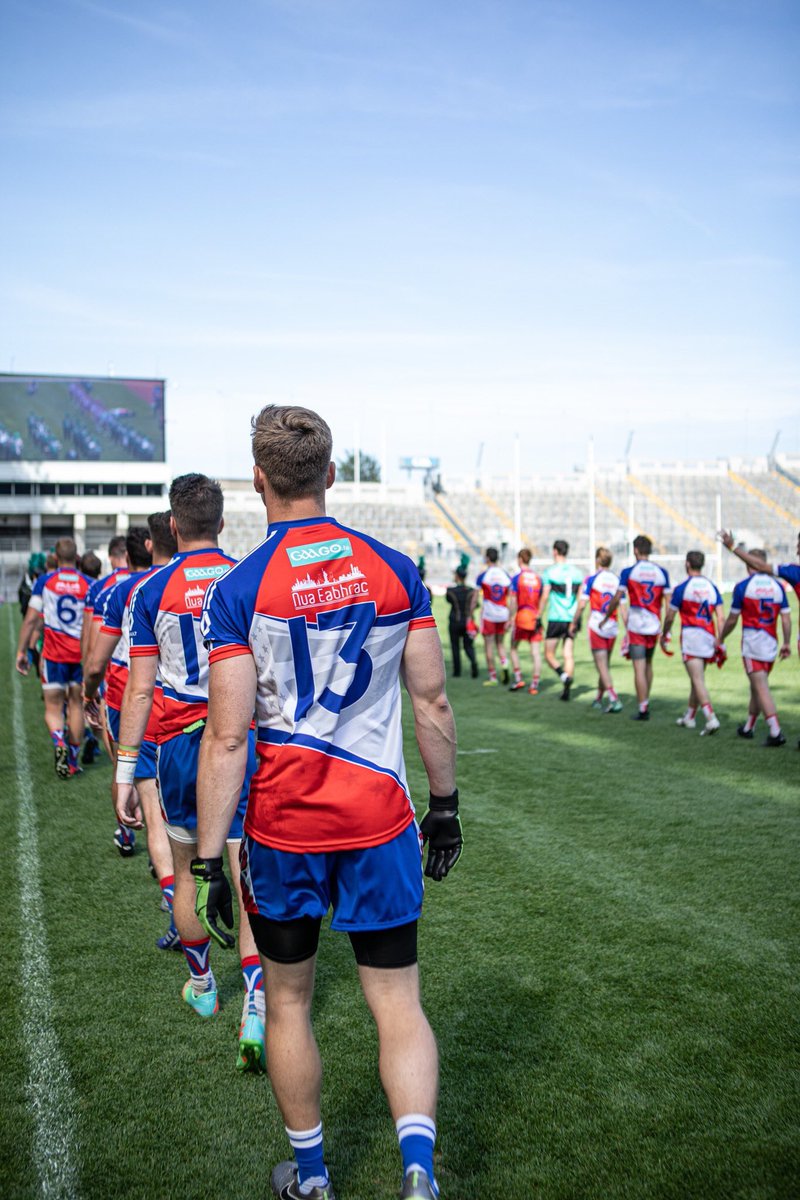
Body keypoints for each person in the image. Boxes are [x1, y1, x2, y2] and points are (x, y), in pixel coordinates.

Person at [195, 405, 461, 1200]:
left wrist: (208, 857)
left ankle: (312, 1178)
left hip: (284, 827)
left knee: (287, 1001)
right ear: (332, 475)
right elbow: (433, 703)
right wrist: (443, 805)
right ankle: (419, 1174)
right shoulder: (394, 567)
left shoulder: (241, 587)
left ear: (259, 480)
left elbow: (227, 737)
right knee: (397, 1001)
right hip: (379, 820)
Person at [115, 475, 265, 1072]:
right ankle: (257, 999)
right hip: (240, 740)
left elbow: (140, 687)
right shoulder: (247, 576)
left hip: (177, 746)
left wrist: (126, 768)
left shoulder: (150, 588)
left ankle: (204, 986)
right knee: (244, 865)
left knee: (182, 868)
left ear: (172, 527)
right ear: (222, 523)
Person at [84, 516, 180, 941]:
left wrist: (89, 690)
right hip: (191, 706)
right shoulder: (203, 578)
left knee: (150, 803)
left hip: (135, 700)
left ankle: (175, 901)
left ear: (146, 543)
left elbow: (99, 657)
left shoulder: (127, 589)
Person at [15, 537, 91, 777]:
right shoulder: (88, 583)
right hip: (79, 657)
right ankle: (73, 760)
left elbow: (31, 618)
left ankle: (59, 743)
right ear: (76, 557)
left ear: (56, 558)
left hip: (53, 654)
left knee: (53, 707)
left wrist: (22, 651)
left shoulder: (45, 582)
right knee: (77, 706)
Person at [718, 546, 791, 746]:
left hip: (752, 642)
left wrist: (721, 637)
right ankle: (749, 726)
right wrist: (786, 642)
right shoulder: (778, 587)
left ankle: (775, 731)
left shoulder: (743, 587)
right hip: (770, 642)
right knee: (756, 687)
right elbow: (785, 619)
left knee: (760, 687)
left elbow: (732, 619)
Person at [602, 535, 670, 721]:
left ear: (635, 550)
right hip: (654, 624)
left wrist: (607, 615)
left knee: (638, 667)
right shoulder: (661, 572)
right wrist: (666, 628)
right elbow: (668, 602)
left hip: (637, 624)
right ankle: (645, 699)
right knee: (648, 663)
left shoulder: (628, 572)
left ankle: (643, 707)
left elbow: (617, 598)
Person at [661, 551, 723, 735]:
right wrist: (720, 639)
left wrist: (665, 633)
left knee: (697, 680)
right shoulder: (712, 587)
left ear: (687, 564)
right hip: (708, 636)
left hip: (691, 636)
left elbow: (670, 615)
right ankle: (690, 716)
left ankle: (711, 718)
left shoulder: (682, 588)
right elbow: (721, 617)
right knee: (697, 679)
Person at [569, 547, 622, 713]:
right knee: (604, 665)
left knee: (602, 666)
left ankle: (614, 698)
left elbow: (582, 604)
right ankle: (599, 698)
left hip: (597, 625)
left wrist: (574, 622)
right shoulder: (617, 580)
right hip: (612, 626)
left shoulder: (591, 579)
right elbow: (624, 607)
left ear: (597, 560)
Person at [539, 540, 584, 700]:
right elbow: (580, 598)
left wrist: (538, 615)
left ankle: (564, 676)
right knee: (568, 654)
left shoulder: (550, 572)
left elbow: (545, 596)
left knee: (549, 654)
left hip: (556, 617)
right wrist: (578, 618)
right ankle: (567, 689)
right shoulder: (577, 573)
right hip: (572, 618)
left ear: (555, 551)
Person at [473, 546, 511, 686]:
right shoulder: (505, 574)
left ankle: (493, 677)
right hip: (503, 614)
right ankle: (505, 664)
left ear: (487, 558)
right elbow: (511, 597)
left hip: (489, 614)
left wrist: (470, 613)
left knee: (488, 644)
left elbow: (475, 596)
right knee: (500, 643)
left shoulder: (483, 576)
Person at [507, 548, 543, 694]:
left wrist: (510, 617)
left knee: (513, 648)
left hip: (522, 616)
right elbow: (541, 599)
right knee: (535, 652)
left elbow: (513, 600)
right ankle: (534, 684)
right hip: (534, 617)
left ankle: (518, 678)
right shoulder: (538, 578)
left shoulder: (517, 578)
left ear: (520, 559)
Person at [445, 562, 478, 678]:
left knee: (455, 646)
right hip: (467, 622)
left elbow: (449, 600)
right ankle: (474, 664)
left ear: (457, 576)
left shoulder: (450, 590)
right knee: (468, 646)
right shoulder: (471, 591)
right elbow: (476, 605)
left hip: (454, 620)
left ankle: (457, 671)